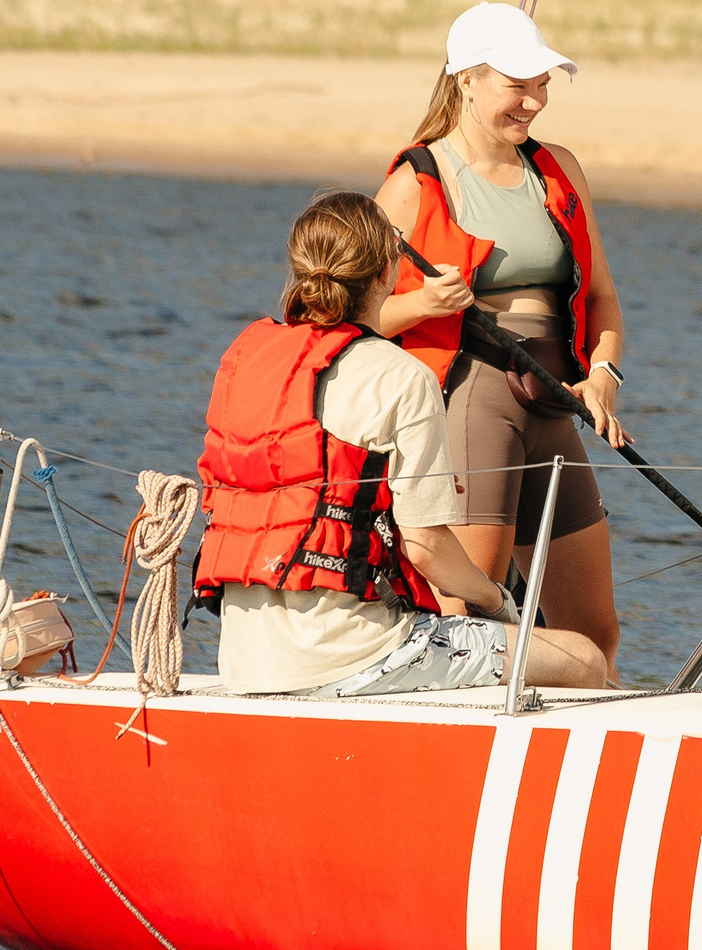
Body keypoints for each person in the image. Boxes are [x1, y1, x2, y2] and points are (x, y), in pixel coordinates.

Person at [193, 191, 613, 696]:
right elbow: (426, 546)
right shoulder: (402, 376)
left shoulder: (245, 362)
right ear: (387, 273)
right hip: (357, 658)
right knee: (583, 657)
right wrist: (498, 603)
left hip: (245, 658)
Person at [377, 2, 628, 680]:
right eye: (519, 85)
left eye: (542, 83)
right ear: (466, 79)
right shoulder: (413, 183)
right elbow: (354, 318)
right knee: (470, 622)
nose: (536, 100)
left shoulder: (559, 169)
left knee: (594, 637)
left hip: (553, 401)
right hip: (470, 401)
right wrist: (424, 302)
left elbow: (602, 297)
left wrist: (604, 374)